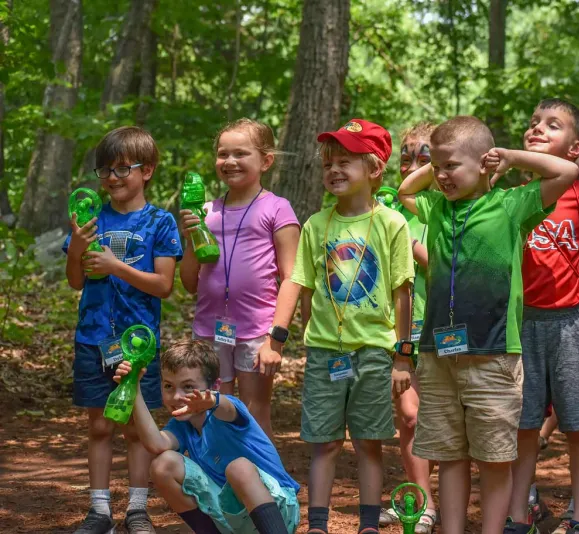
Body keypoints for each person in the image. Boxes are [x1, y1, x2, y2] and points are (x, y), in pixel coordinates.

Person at [398, 115, 579, 534]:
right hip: (439, 356)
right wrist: (442, 158)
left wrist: (510, 157)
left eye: (450, 166)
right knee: (451, 455)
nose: (441, 176)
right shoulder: (436, 206)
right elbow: (407, 189)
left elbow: (568, 171)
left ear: (484, 163)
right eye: (437, 166)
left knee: (495, 457)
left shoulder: (511, 205)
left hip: (493, 356)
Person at [264, 119, 415, 534]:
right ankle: (318, 524)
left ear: (374, 169)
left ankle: (368, 524)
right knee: (325, 441)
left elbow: (403, 291)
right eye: (328, 163)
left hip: (374, 350)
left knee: (369, 441)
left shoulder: (391, 224)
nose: (334, 170)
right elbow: (297, 281)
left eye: (345, 161)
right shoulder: (316, 225)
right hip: (326, 351)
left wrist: (403, 355)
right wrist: (276, 337)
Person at [504, 100, 579, 534]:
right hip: (523, 326)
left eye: (551, 126)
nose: (536, 129)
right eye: (533, 122)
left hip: (573, 323)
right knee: (524, 423)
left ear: (576, 150)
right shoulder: (513, 199)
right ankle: (518, 514)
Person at [64, 126, 183, 534]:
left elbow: (164, 285)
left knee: (136, 427)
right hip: (93, 337)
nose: (112, 178)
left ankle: (137, 509)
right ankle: (99, 512)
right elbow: (75, 281)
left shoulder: (161, 222)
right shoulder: (90, 220)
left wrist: (117, 267)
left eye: (122, 169)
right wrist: (78, 247)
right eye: (105, 170)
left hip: (138, 342)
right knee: (99, 425)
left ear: (147, 170)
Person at [179, 118, 300, 439]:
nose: (229, 162)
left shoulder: (277, 208)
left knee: (254, 410)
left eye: (241, 154)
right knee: (213, 406)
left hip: (257, 332)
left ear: (266, 160)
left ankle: (265, 485)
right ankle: (219, 480)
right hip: (210, 328)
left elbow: (292, 277)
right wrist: (191, 235)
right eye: (222, 154)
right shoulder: (206, 212)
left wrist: (275, 340)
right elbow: (190, 283)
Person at [114, 339, 300, 534]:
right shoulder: (182, 425)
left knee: (238, 468)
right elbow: (155, 444)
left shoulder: (228, 409)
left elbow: (225, 407)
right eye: (169, 386)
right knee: (163, 464)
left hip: (278, 508)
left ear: (215, 386)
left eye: (187, 387)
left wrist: (211, 400)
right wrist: (134, 390)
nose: (176, 396)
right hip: (231, 515)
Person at [378, 121, 439, 533]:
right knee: (410, 417)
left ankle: (438, 498)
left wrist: (406, 242)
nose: (412, 165)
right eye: (406, 158)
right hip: (395, 329)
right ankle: (422, 501)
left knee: (443, 419)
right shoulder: (386, 207)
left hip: (441, 327)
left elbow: (443, 267)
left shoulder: (444, 205)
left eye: (424, 158)